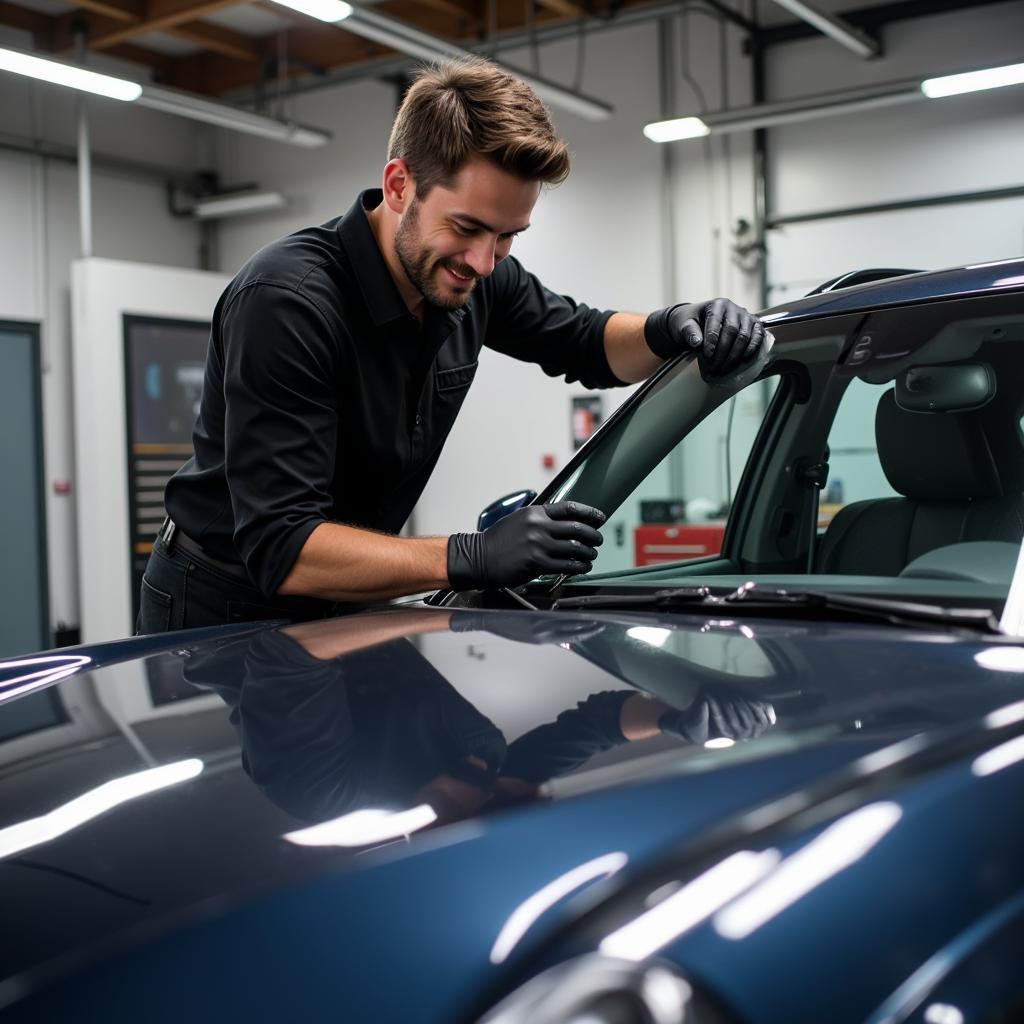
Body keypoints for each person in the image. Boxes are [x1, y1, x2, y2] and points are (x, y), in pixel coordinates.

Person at [137, 56, 767, 634]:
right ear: (398, 185)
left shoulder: (470, 277)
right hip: (222, 605)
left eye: (508, 237)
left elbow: (586, 342)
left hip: (348, 598)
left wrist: (671, 326)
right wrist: (473, 555)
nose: (485, 262)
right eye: (467, 228)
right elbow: (284, 548)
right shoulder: (289, 302)